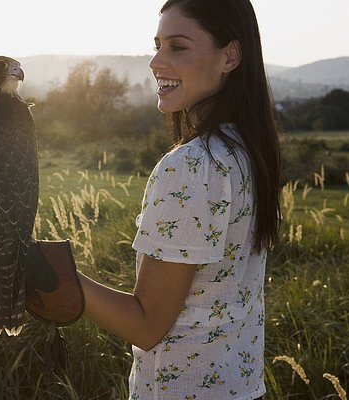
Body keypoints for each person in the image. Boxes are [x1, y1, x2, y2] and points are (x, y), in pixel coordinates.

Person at [27, 0, 280, 398]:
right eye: (157, 45)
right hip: (241, 388)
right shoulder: (245, 151)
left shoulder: (192, 164)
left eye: (178, 47)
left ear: (230, 56)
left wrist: (38, 266)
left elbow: (146, 325)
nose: (156, 61)